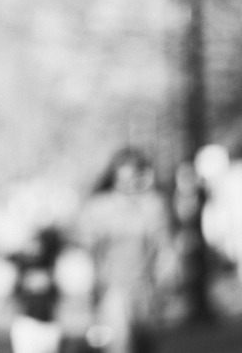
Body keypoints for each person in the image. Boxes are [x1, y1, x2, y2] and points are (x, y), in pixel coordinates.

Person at [79, 147, 172, 353]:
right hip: (114, 289)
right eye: (124, 176)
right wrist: (96, 287)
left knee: (147, 345)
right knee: (120, 344)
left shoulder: (153, 205)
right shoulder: (100, 207)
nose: (131, 182)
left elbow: (163, 246)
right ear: (114, 176)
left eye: (135, 175)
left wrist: (163, 284)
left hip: (146, 288)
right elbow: (91, 251)